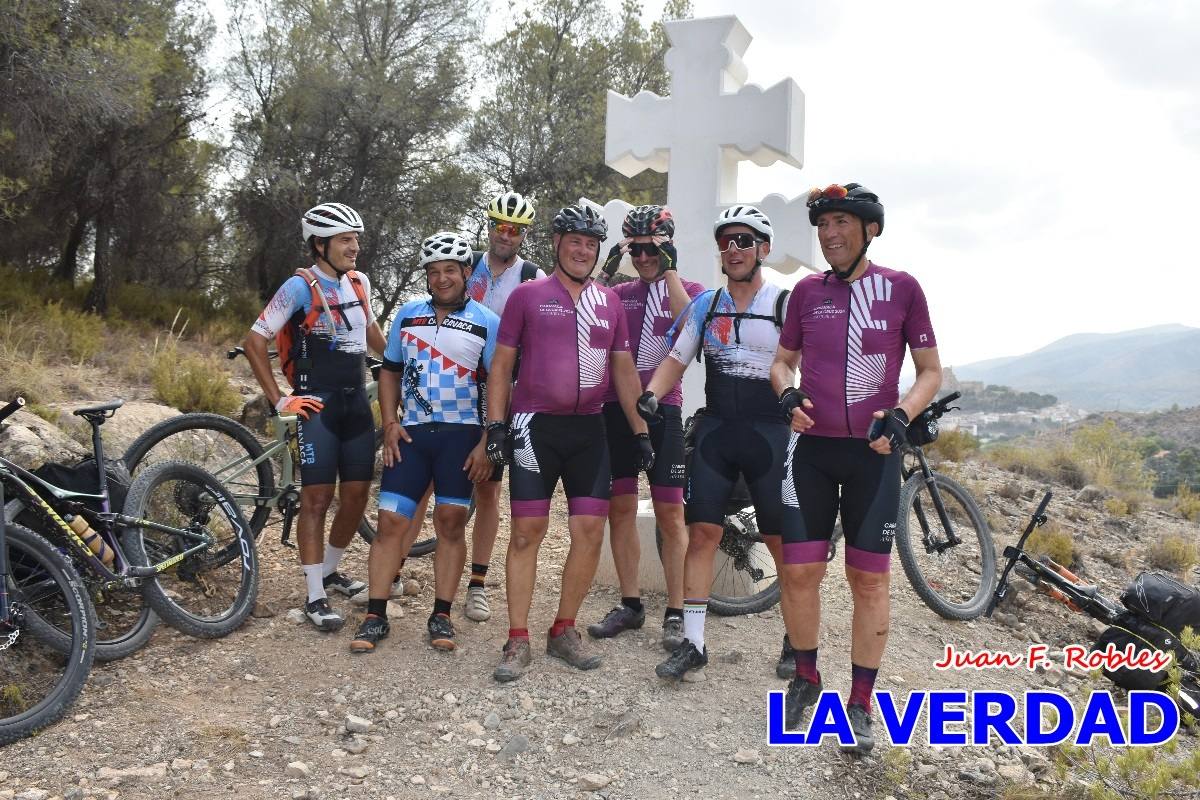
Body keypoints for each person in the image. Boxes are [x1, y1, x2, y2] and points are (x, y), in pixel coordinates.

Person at [770, 183, 941, 756]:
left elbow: (929, 373)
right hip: (813, 454)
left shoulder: (901, 289)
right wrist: (787, 397)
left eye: (841, 222)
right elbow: (782, 363)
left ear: (869, 229)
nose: (830, 234)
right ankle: (807, 677)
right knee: (799, 573)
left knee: (868, 579)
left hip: (874, 457)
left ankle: (861, 703)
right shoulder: (804, 294)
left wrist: (901, 414)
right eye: (823, 225)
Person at [485, 204, 653, 682]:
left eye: (591, 243)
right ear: (557, 244)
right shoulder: (527, 296)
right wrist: (496, 425)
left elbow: (622, 369)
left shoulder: (610, 302)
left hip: (590, 430)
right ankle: (517, 638)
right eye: (575, 240)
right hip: (534, 426)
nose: (583, 250)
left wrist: (640, 433)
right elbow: (502, 365)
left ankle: (564, 629)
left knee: (589, 532)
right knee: (526, 534)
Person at [636, 205, 794, 681]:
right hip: (717, 432)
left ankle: (797, 641)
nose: (734, 250)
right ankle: (694, 643)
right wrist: (650, 395)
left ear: (763, 249)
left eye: (745, 241)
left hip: (771, 435)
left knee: (781, 541)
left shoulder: (785, 303)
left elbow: (814, 363)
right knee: (702, 534)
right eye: (727, 241)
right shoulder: (706, 306)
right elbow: (677, 359)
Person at [349, 232, 499, 653]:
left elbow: (500, 385)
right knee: (391, 524)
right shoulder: (407, 315)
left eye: (450, 270)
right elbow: (390, 370)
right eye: (433, 272)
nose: (441, 278)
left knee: (450, 523)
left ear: (467, 273)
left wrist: (488, 439)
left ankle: (442, 616)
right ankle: (375, 616)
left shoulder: (487, 321)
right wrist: (391, 422)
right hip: (412, 435)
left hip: (462, 435)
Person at [244, 202, 385, 632]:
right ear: (320, 244)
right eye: (346, 240)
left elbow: (375, 339)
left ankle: (330, 569)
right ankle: (314, 595)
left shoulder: (359, 283)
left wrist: (413, 362)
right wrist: (280, 400)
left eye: (356, 239)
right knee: (317, 500)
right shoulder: (299, 286)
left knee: (358, 496)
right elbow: (254, 341)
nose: (355, 247)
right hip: (318, 406)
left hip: (356, 404)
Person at [586, 205, 704, 649]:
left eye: (651, 248)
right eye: (634, 249)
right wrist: (606, 271)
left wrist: (669, 268)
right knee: (620, 509)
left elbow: (689, 323)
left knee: (671, 514)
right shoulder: (621, 291)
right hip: (615, 411)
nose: (643, 257)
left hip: (663, 412)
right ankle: (631, 604)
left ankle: (675, 611)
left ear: (668, 246)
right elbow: (586, 311)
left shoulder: (689, 288)